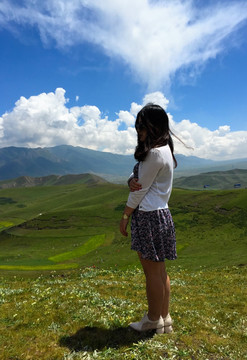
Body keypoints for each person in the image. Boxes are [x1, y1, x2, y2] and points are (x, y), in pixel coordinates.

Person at [119, 103, 177, 334]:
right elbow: (140, 177)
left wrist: (125, 216)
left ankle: (153, 320)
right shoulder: (164, 151)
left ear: (154, 126)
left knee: (152, 272)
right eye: (137, 126)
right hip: (161, 214)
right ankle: (164, 318)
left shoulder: (153, 153)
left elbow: (140, 190)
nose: (138, 131)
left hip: (147, 215)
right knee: (160, 271)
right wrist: (130, 179)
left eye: (141, 126)